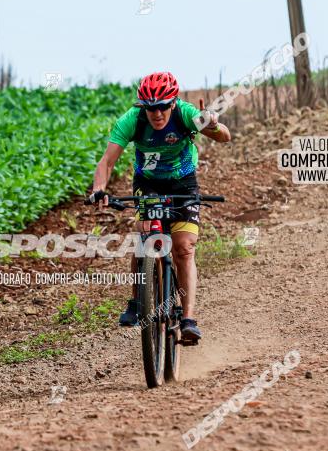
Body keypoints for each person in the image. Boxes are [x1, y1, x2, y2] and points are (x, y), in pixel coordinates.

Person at [89, 71, 231, 342]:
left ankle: (188, 319)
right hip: (150, 182)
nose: (157, 114)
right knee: (145, 236)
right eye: (151, 108)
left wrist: (210, 123)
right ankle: (137, 301)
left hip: (183, 183)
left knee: (184, 248)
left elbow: (225, 136)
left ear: (173, 103)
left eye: (163, 107)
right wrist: (99, 190)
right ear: (143, 107)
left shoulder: (186, 114)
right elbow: (107, 161)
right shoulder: (131, 121)